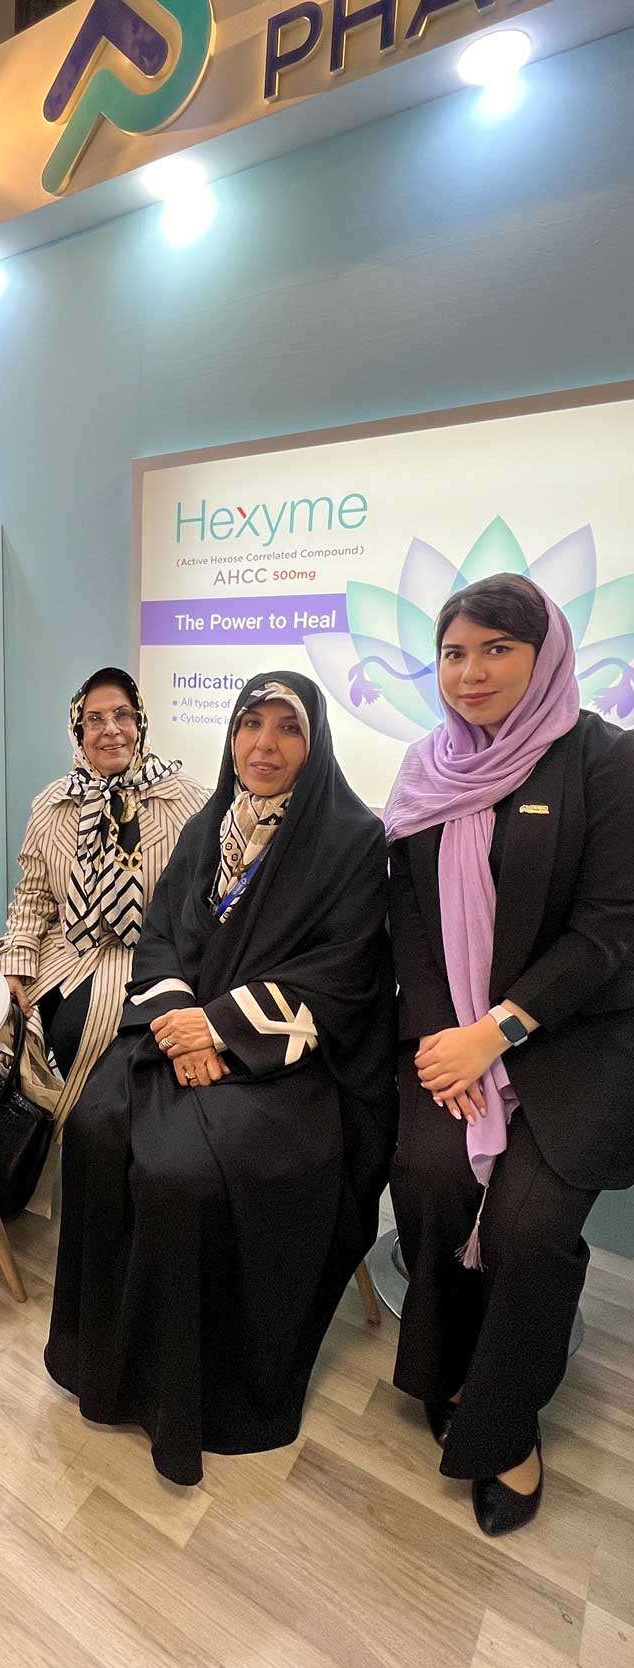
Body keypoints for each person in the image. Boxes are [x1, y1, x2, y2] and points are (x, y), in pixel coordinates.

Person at [45, 673, 397, 1485]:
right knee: (95, 1125)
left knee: (179, 1174)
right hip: (183, 1037)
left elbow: (343, 976)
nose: (264, 746)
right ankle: (110, 1367)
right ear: (232, 734)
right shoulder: (212, 825)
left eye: (287, 729)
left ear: (315, 744)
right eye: (250, 725)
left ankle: (191, 1394)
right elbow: (161, 936)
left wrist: (223, 1030)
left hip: (288, 1064)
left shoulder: (351, 841)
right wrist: (182, 1024)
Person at [384, 573, 634, 1537]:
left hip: (576, 1039)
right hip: (451, 1038)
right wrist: (443, 1039)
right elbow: (411, 921)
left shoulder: (605, 762)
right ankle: (447, 1373)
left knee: (527, 1229)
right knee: (431, 1181)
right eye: (455, 652)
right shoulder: (426, 769)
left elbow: (610, 930)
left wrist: (499, 1031)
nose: (472, 672)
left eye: (498, 649)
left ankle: (505, 1422)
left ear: (545, 656)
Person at [0, 668, 208, 1138]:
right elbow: (33, 897)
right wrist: (14, 965)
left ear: (140, 723)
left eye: (122, 715)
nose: (110, 729)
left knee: (95, 1040)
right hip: (68, 952)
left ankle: (98, 1149)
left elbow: (206, 903)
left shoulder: (189, 800)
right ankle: (21, 1155)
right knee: (0, 1022)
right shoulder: (53, 803)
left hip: (151, 959)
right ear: (78, 730)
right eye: (94, 719)